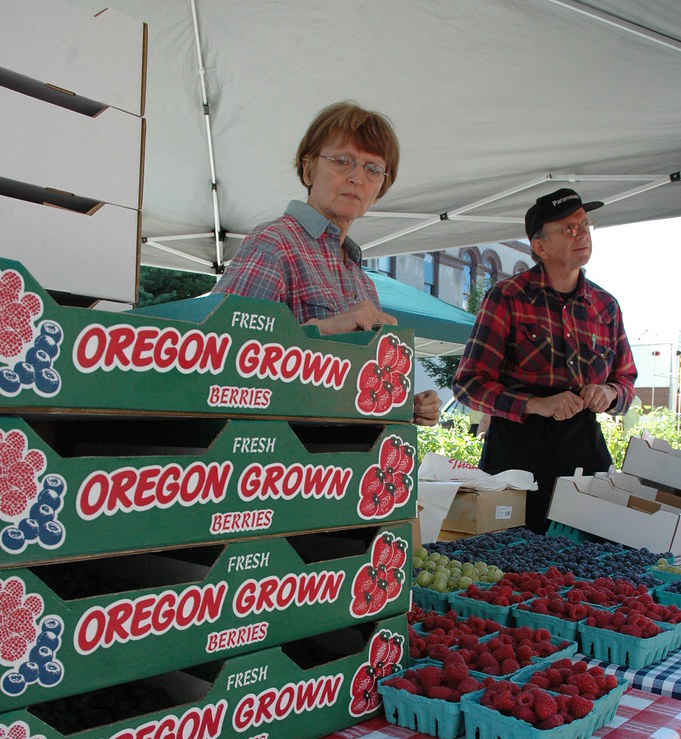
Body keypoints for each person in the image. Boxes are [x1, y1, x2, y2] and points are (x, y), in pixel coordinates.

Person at [213, 101, 441, 427]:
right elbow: (219, 351)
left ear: (379, 191)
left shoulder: (362, 281)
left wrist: (405, 403)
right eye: (341, 161)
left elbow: (356, 391)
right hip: (276, 461)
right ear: (308, 169)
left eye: (372, 169)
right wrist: (327, 328)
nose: (356, 177)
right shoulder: (276, 243)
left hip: (336, 463)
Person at [451, 188, 638, 533]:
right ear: (540, 247)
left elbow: (626, 380)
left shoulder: (605, 306)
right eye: (568, 228)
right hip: (516, 459)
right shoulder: (506, 298)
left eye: (584, 224)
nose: (581, 233)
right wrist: (536, 404)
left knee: (590, 568)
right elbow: (468, 386)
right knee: (509, 568)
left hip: (585, 457)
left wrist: (609, 393)